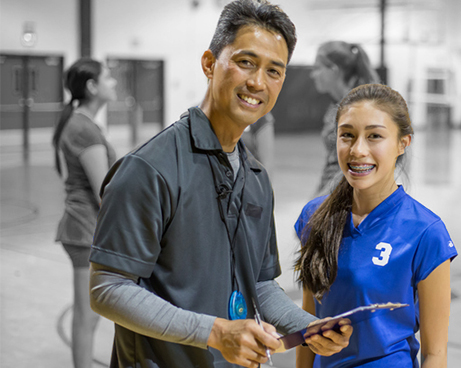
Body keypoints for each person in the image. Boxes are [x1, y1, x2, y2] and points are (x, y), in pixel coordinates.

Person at [88, 1, 351, 367]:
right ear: (210, 64)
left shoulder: (256, 178)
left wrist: (308, 326)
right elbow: (108, 289)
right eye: (246, 62)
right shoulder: (150, 168)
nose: (258, 82)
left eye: (274, 71)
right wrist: (214, 332)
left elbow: (258, 284)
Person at [294, 84, 458, 368]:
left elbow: (436, 354)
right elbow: (309, 325)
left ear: (402, 143)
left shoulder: (426, 232)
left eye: (374, 137)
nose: (358, 150)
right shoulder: (315, 216)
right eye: (347, 135)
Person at [52, 58, 117, 368]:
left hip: (84, 228)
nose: (114, 83)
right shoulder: (83, 129)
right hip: (84, 230)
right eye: (108, 78)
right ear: (92, 87)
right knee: (86, 316)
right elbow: (105, 192)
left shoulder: (82, 124)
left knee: (89, 314)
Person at [310, 41, 380, 196]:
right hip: (330, 191)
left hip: (347, 196)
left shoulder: (357, 109)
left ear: (333, 70)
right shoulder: (336, 105)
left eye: (317, 68)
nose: (312, 75)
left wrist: (322, 200)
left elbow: (357, 165)